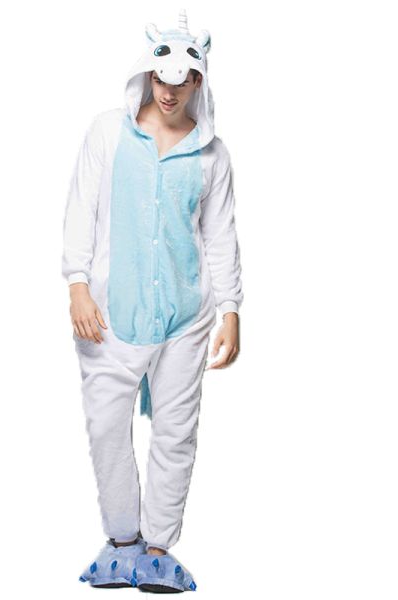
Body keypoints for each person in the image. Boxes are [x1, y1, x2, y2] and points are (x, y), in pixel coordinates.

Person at [62, 9, 244, 592]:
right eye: (161, 79)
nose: (169, 92)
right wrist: (77, 284)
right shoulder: (107, 133)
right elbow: (81, 209)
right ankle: (122, 542)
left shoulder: (213, 156)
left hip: (187, 318)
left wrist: (232, 310)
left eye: (181, 82)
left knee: (175, 432)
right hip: (110, 314)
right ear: (147, 73)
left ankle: (158, 549)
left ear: (198, 82)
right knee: (106, 426)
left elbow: (219, 234)